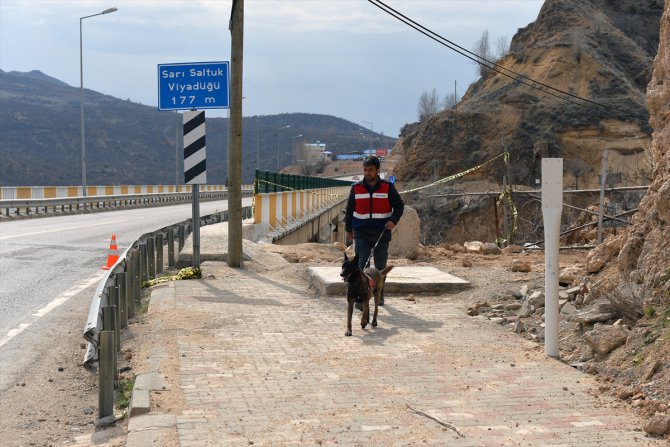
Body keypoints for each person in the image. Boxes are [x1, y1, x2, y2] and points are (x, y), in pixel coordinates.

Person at [344, 155, 404, 307]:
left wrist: (393, 220)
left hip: (381, 233)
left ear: (378, 170)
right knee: (361, 265)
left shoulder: (387, 187)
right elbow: (350, 210)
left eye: (370, 170)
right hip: (361, 232)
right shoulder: (356, 188)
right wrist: (348, 230)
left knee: (380, 267)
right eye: (365, 170)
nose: (367, 172)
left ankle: (379, 295)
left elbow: (399, 206)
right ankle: (360, 296)